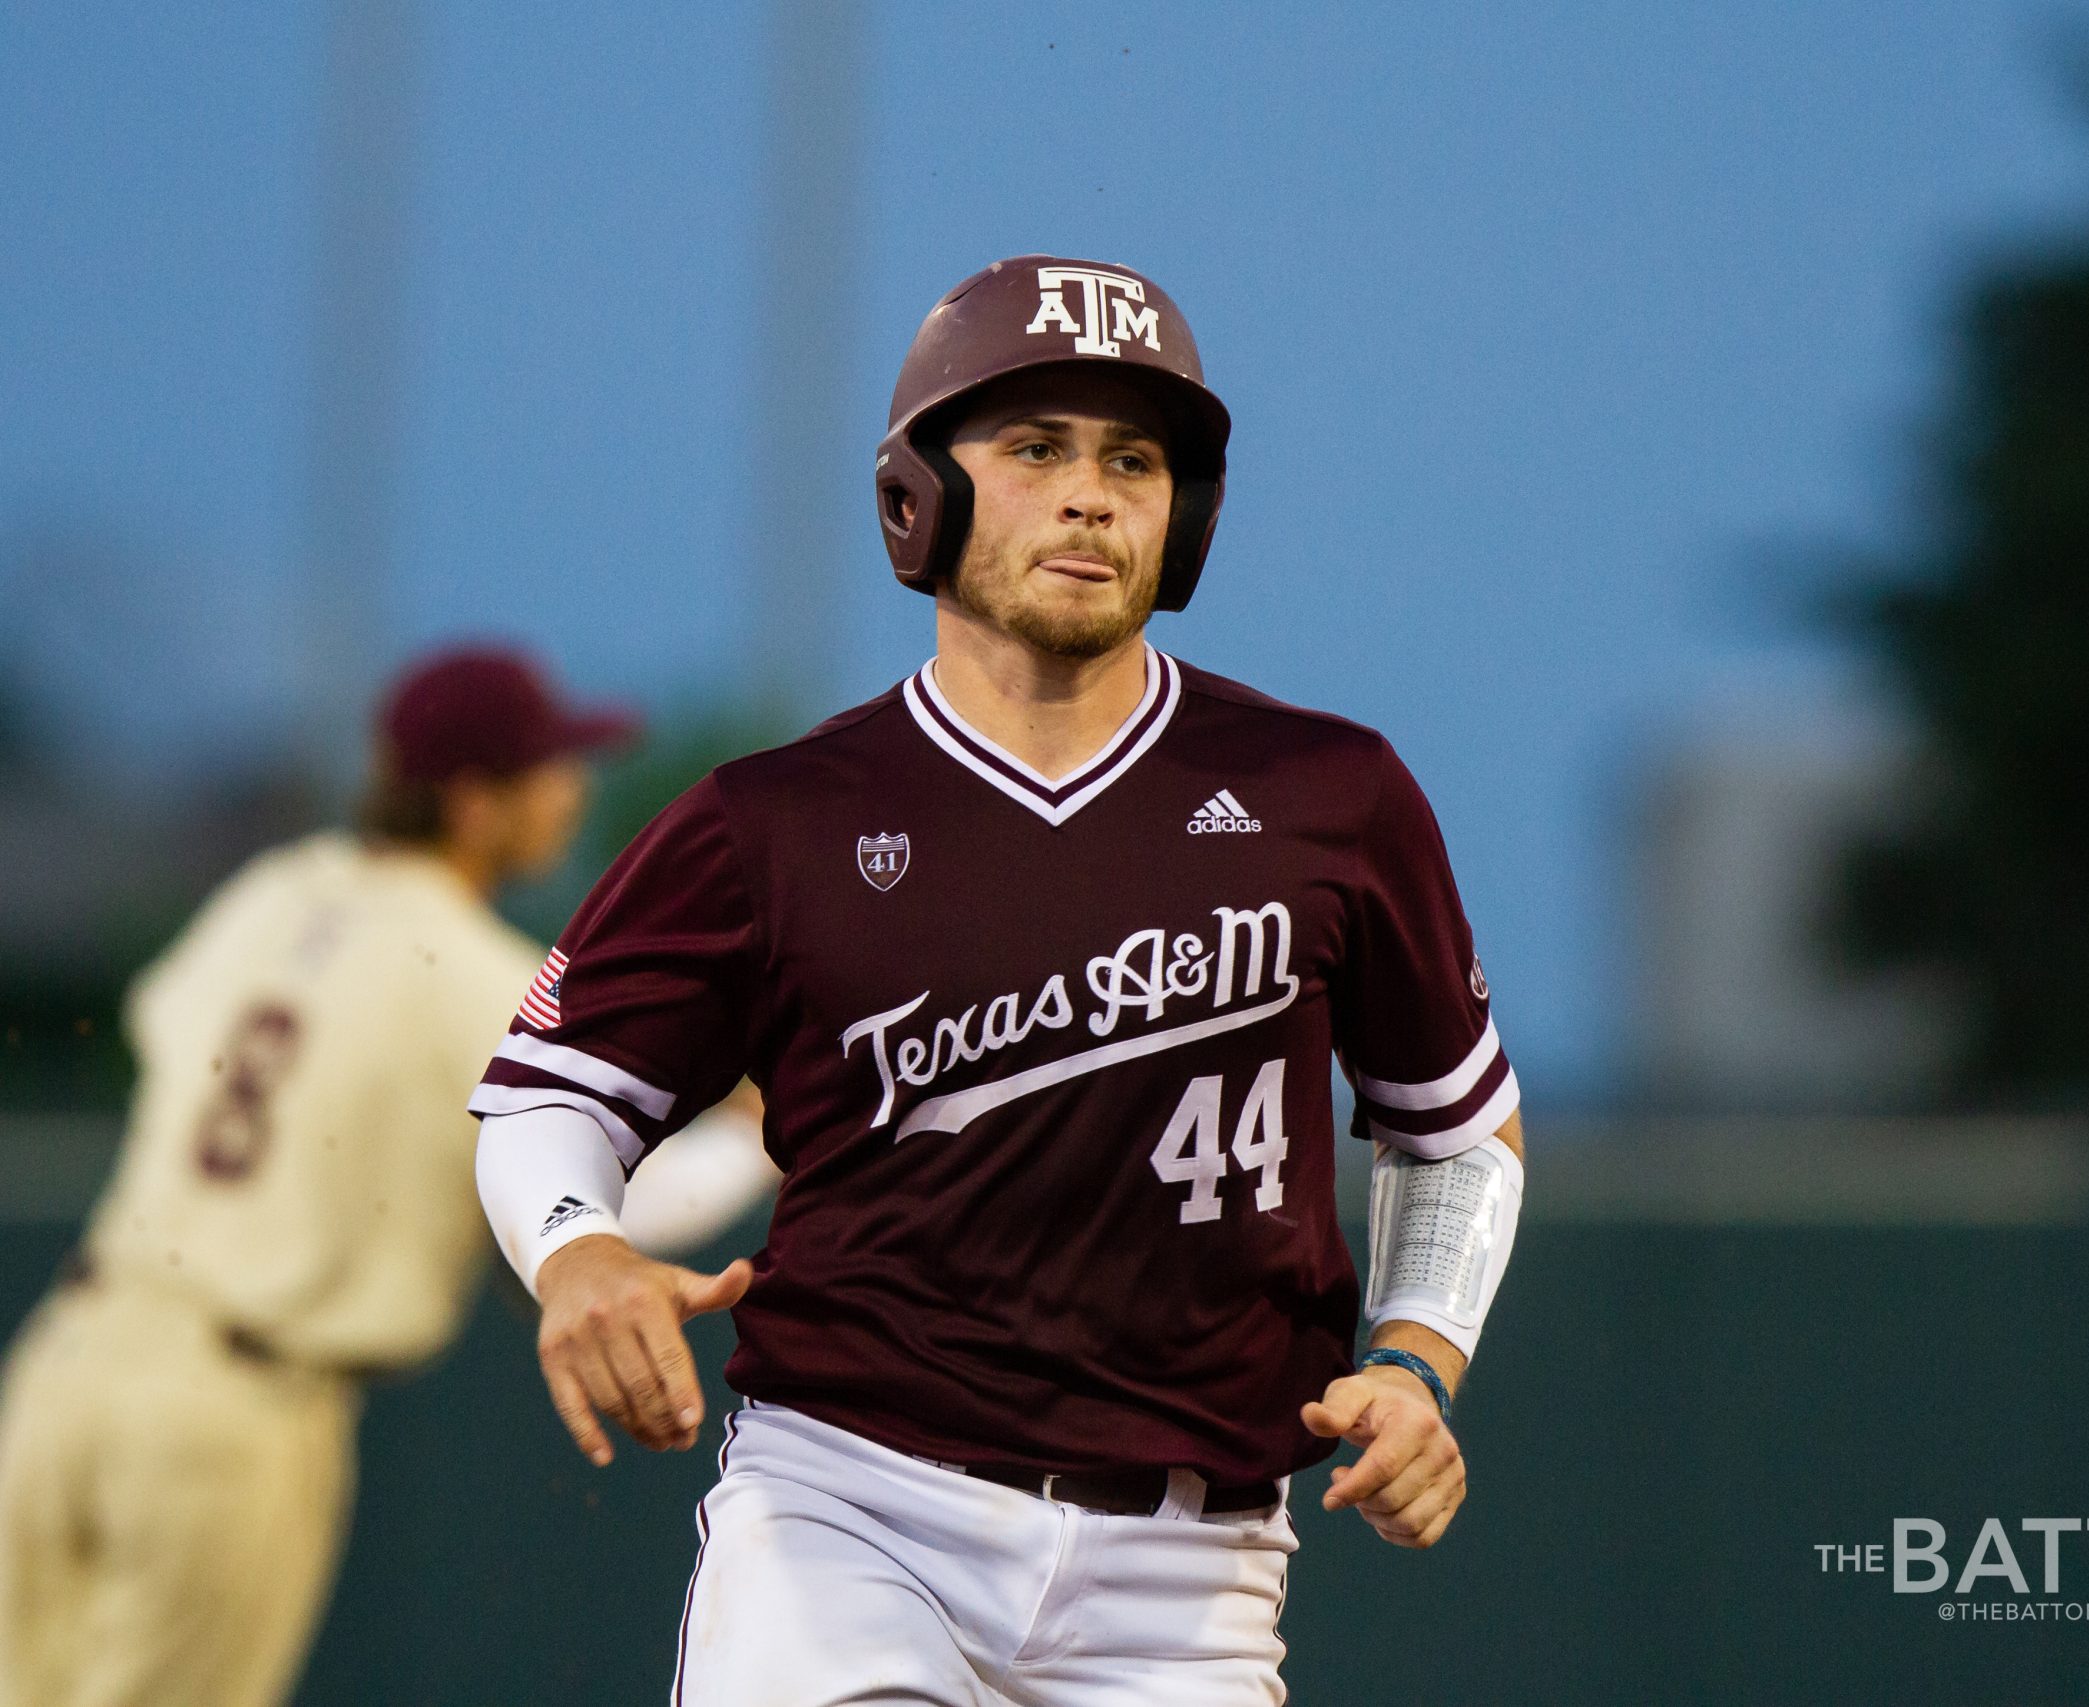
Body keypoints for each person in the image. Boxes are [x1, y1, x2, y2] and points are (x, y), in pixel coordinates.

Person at [472, 256, 1527, 1706]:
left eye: (1134, 459)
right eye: (1035, 448)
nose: (1091, 495)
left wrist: (1416, 1364)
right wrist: (579, 1248)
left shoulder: (1328, 792)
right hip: (851, 1511)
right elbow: (547, 1093)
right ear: (919, 494)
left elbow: (1457, 1127)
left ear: (1188, 513)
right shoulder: (773, 819)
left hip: (1195, 1576)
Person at [0, 646, 775, 1707]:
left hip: (74, 1359)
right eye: (548, 769)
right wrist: (756, 1134)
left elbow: (161, 1031)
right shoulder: (468, 971)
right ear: (473, 800)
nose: (571, 791)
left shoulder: (275, 888)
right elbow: (615, 1205)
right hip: (232, 1407)